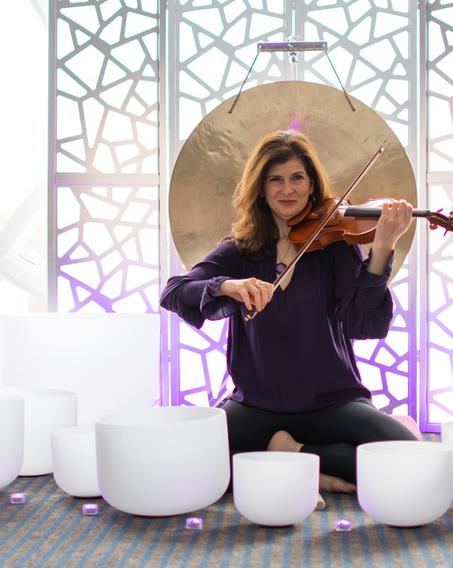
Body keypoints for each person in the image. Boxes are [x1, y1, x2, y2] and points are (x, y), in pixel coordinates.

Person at [159, 129, 418, 494]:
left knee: (408, 457)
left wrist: (382, 248)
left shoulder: (337, 245)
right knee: (182, 459)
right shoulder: (238, 251)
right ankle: (314, 470)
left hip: (333, 401)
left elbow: (364, 324)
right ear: (261, 189)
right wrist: (225, 285)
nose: (287, 189)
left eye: (298, 178)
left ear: (312, 185)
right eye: (275, 180)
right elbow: (173, 292)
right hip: (258, 405)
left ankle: (289, 454)